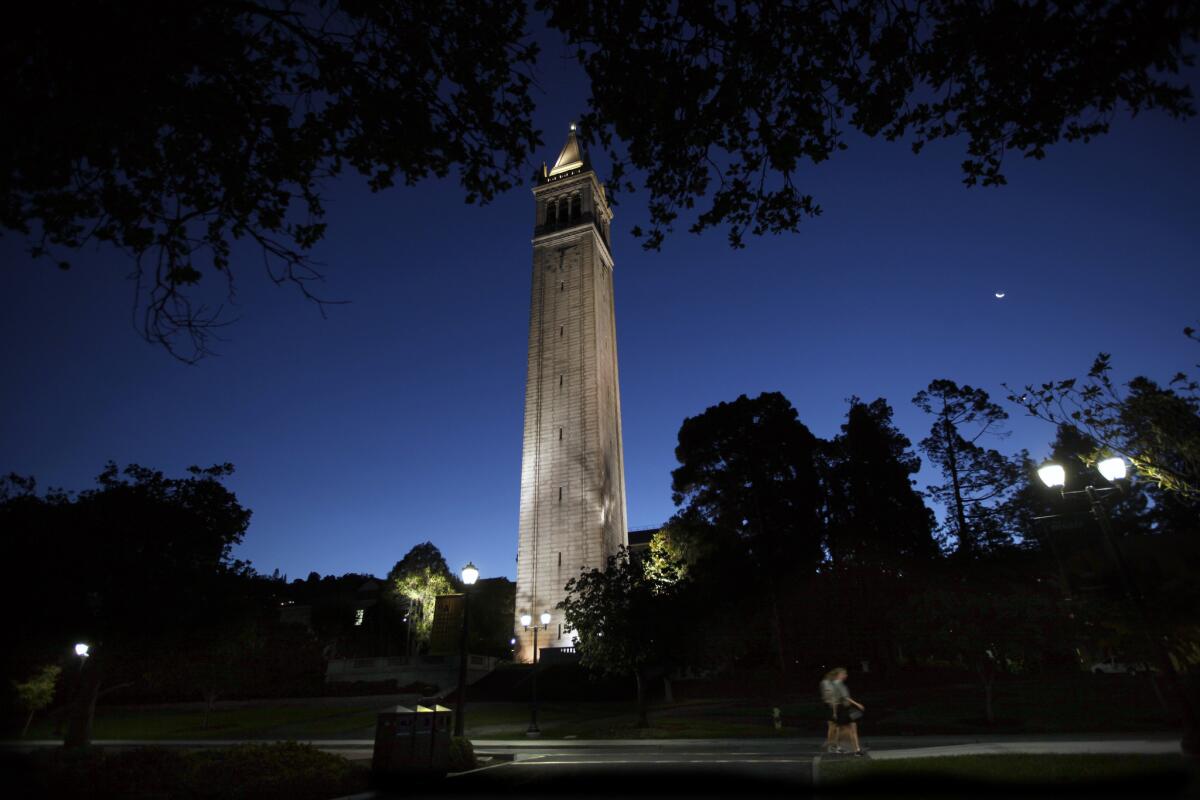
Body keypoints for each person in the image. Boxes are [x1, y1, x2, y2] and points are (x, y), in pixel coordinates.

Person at [823, 667, 866, 756]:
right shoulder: (838, 684)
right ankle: (852, 749)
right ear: (839, 675)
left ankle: (854, 749)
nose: (845, 675)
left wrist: (834, 712)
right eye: (844, 674)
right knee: (849, 729)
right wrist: (857, 704)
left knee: (848, 728)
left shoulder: (836, 684)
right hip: (843, 709)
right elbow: (845, 697)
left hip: (843, 709)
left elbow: (834, 700)